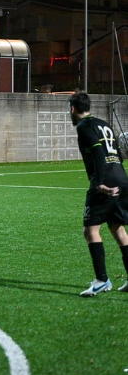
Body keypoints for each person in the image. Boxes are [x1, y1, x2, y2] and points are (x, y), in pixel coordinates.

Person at [69, 92, 128, 296]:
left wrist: (101, 183)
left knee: (91, 231)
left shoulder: (83, 126)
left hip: (105, 180)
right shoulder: (104, 124)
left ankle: (102, 280)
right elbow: (118, 154)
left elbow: (98, 152)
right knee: (117, 228)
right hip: (121, 176)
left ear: (73, 109)